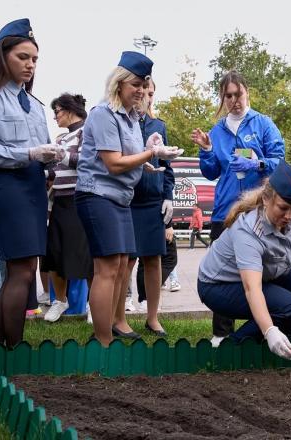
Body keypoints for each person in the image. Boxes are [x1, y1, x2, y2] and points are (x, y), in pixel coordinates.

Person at [0, 19, 64, 350]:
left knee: (23, 269)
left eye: (34, 59)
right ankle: (15, 352)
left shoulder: (35, 104)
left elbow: (40, 150)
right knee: (21, 270)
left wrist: (52, 156)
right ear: (2, 55)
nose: (30, 65)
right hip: (5, 188)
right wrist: (30, 153)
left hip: (33, 189)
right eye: (23, 57)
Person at [75, 51, 179, 346]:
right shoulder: (104, 113)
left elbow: (128, 157)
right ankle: (103, 341)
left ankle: (112, 329)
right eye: (136, 85)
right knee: (107, 267)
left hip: (119, 197)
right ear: (119, 83)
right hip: (98, 195)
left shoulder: (132, 118)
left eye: (144, 86)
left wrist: (147, 160)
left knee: (121, 264)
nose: (141, 92)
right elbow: (113, 163)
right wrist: (152, 154)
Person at [197, 161, 291, 360]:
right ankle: (229, 351)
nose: (289, 216)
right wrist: (269, 331)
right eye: (283, 208)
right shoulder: (249, 231)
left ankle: (288, 348)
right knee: (289, 307)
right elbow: (251, 289)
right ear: (266, 199)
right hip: (218, 286)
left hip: (261, 276)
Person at [191, 70, 285, 346]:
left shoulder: (263, 124)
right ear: (223, 98)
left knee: (261, 269)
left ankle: (262, 325)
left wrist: (257, 164)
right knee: (224, 273)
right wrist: (207, 150)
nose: (234, 100)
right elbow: (210, 172)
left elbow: (279, 161)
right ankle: (221, 332)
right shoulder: (217, 131)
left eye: (238, 94)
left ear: (247, 93)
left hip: (258, 210)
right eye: (228, 96)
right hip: (226, 212)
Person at [116, 78, 175, 338]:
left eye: (150, 93)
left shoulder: (158, 125)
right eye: (142, 92)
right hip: (128, 200)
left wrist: (168, 196)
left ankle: (153, 318)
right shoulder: (121, 121)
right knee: (126, 262)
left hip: (152, 201)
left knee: (153, 261)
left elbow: (168, 167)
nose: (146, 98)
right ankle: (118, 318)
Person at [41, 93, 93, 322]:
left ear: (70, 109)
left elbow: (86, 162)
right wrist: (41, 171)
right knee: (53, 254)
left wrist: (62, 156)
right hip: (59, 201)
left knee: (85, 256)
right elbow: (56, 171)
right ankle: (59, 301)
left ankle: (94, 304)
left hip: (79, 199)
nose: (55, 117)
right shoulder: (61, 139)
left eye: (57, 111)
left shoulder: (87, 131)